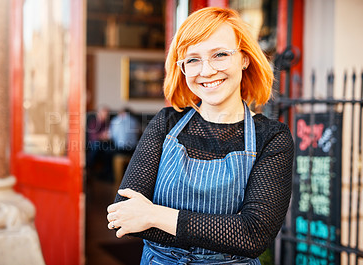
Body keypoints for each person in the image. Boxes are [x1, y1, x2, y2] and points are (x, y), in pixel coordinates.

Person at [107, 7, 294, 265]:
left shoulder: (272, 138)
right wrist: (221, 230)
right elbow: (124, 215)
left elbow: (253, 235)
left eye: (219, 54)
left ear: (244, 58)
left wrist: (152, 215)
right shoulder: (165, 123)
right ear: (182, 67)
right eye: (193, 59)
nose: (206, 71)